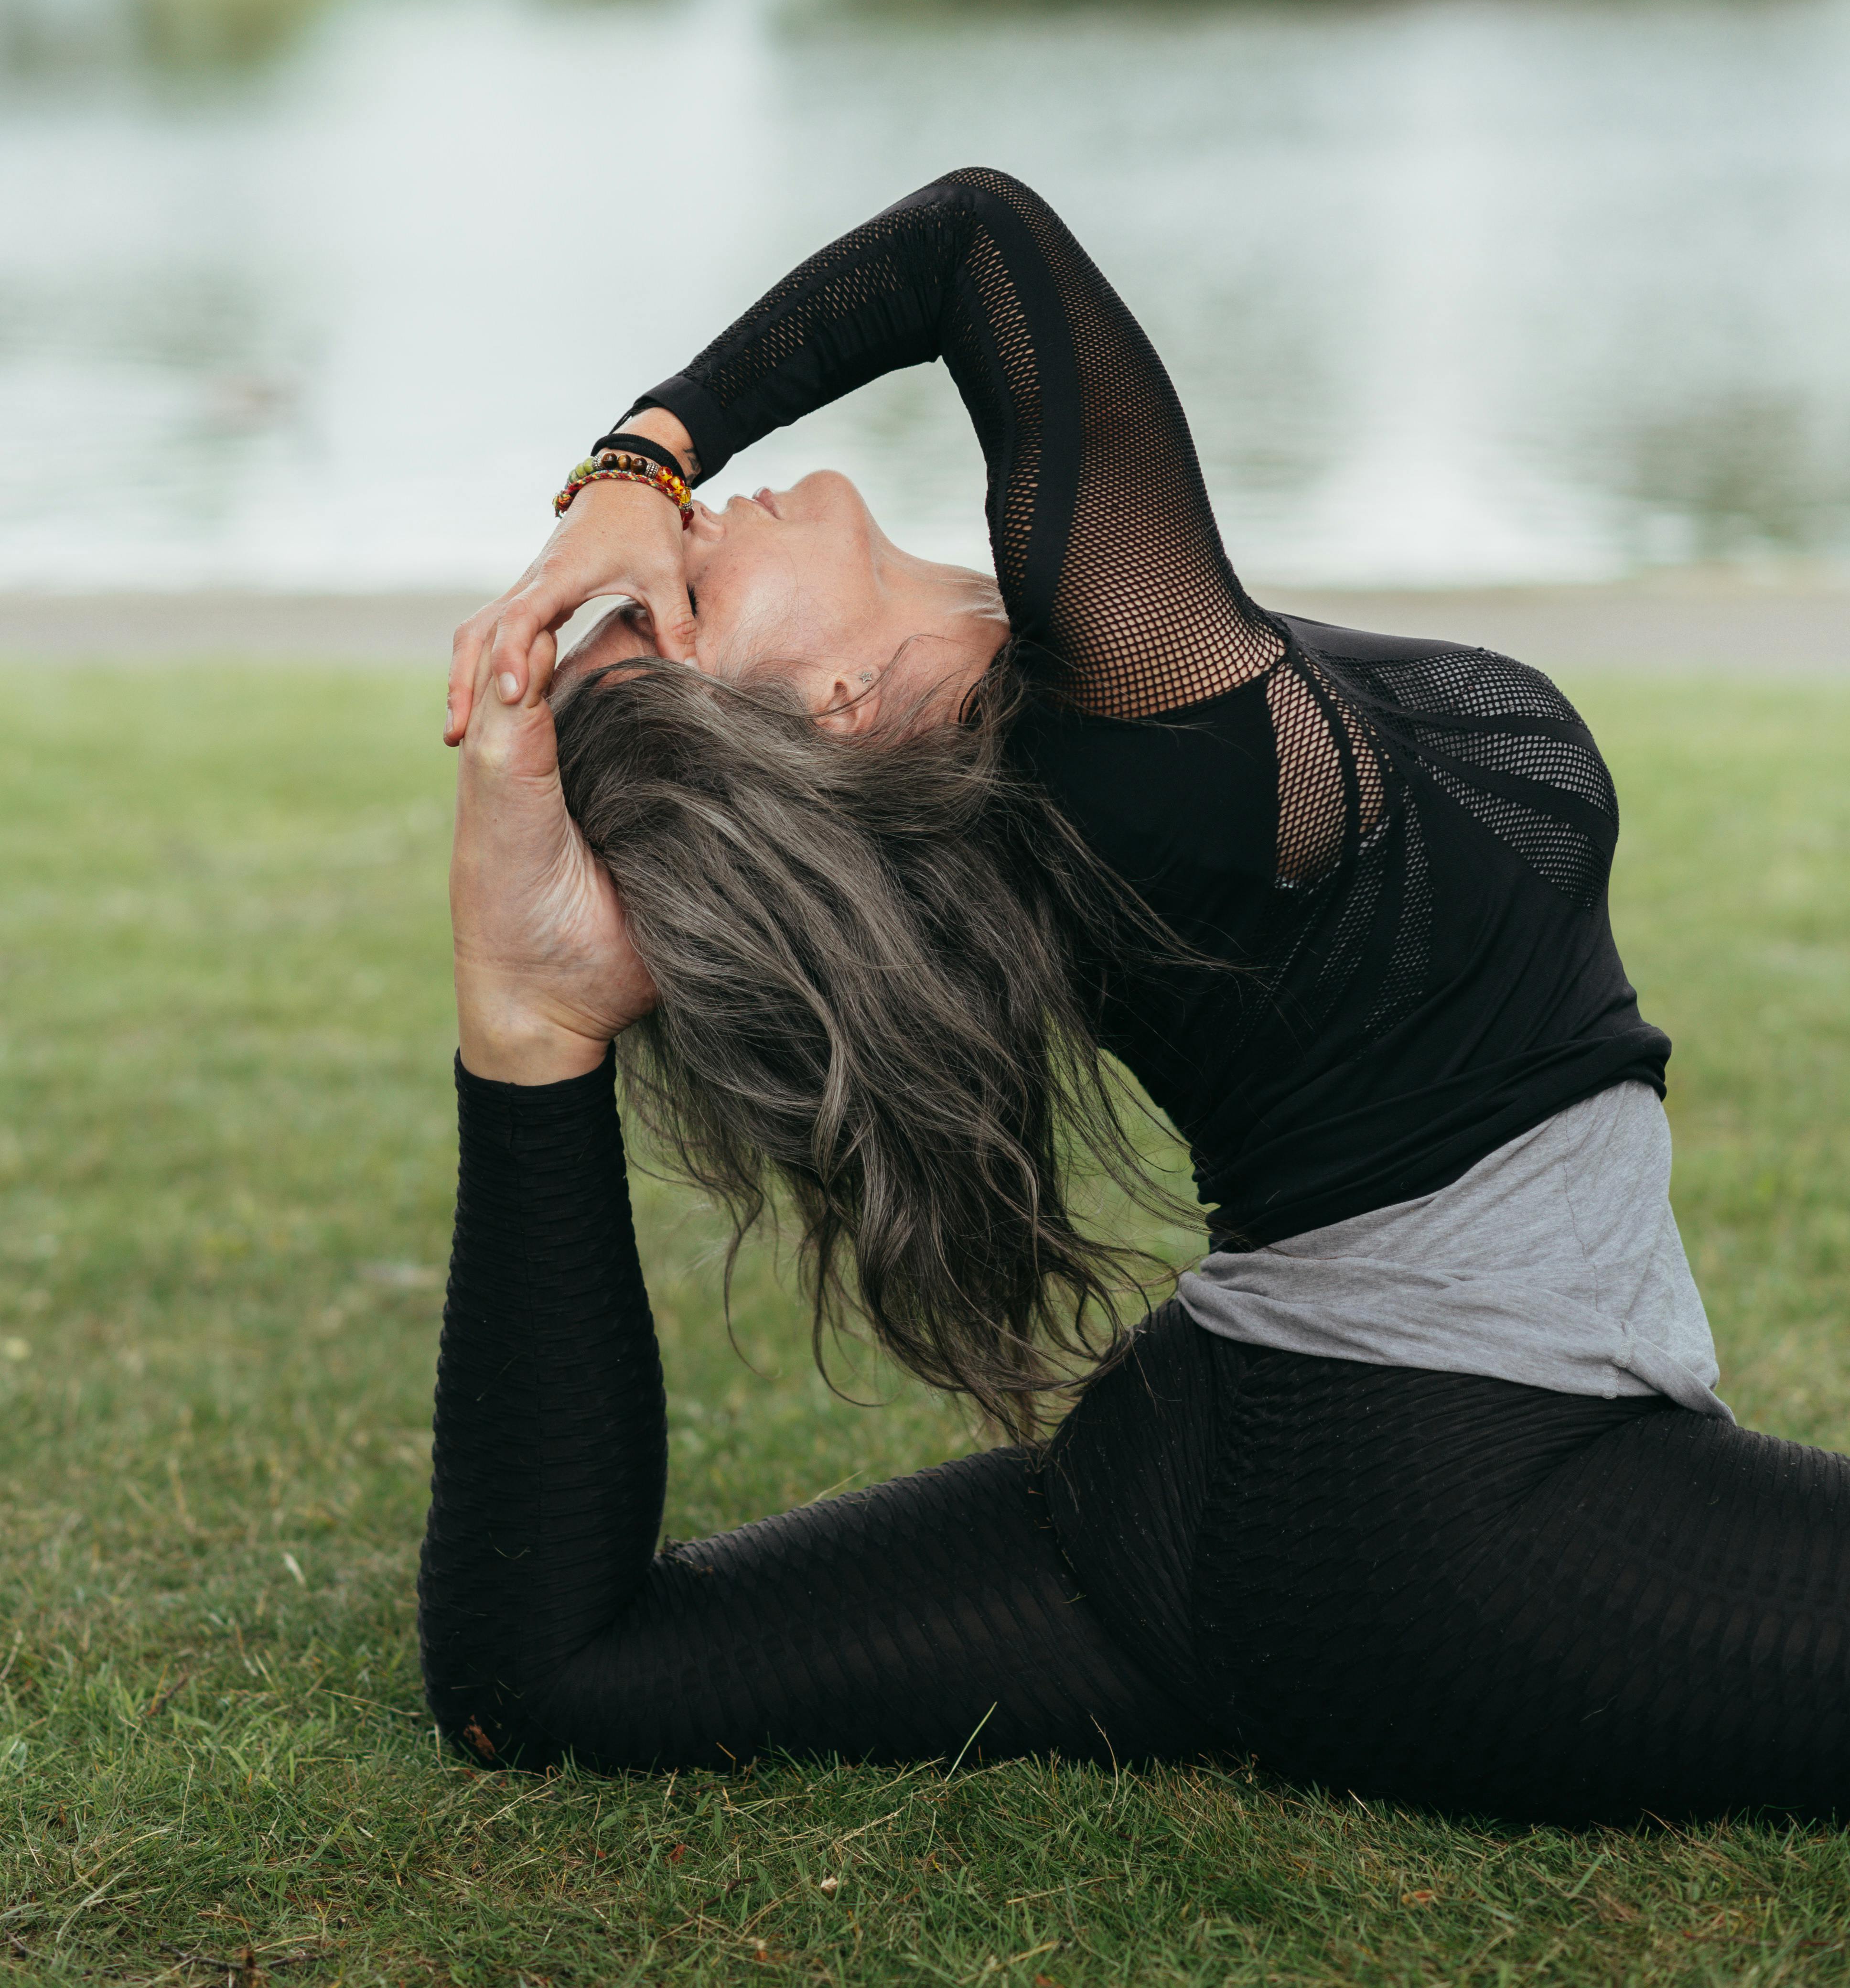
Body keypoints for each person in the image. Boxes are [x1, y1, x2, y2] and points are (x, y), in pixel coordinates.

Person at [420, 167, 1850, 1823]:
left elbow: (546, 1669)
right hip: (1464, 1514)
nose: (670, 541)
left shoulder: (1063, 780)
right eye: (668, 615)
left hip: (1215, 1475)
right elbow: (980, 243)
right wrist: (636, 462)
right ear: (825, 708)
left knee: (588, 1682)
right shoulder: (1133, 748)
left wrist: (622, 503)